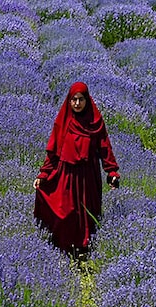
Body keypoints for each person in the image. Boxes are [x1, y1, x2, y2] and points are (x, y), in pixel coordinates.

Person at [34, 81, 120, 257]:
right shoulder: (63, 121)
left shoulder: (95, 122)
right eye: (74, 100)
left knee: (88, 213)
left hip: (88, 176)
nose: (77, 103)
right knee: (66, 212)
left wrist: (111, 171)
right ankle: (64, 247)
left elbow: (105, 148)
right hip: (67, 175)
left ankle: (86, 249)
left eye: (81, 99)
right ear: (69, 101)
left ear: (87, 100)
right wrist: (44, 174)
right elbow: (53, 151)